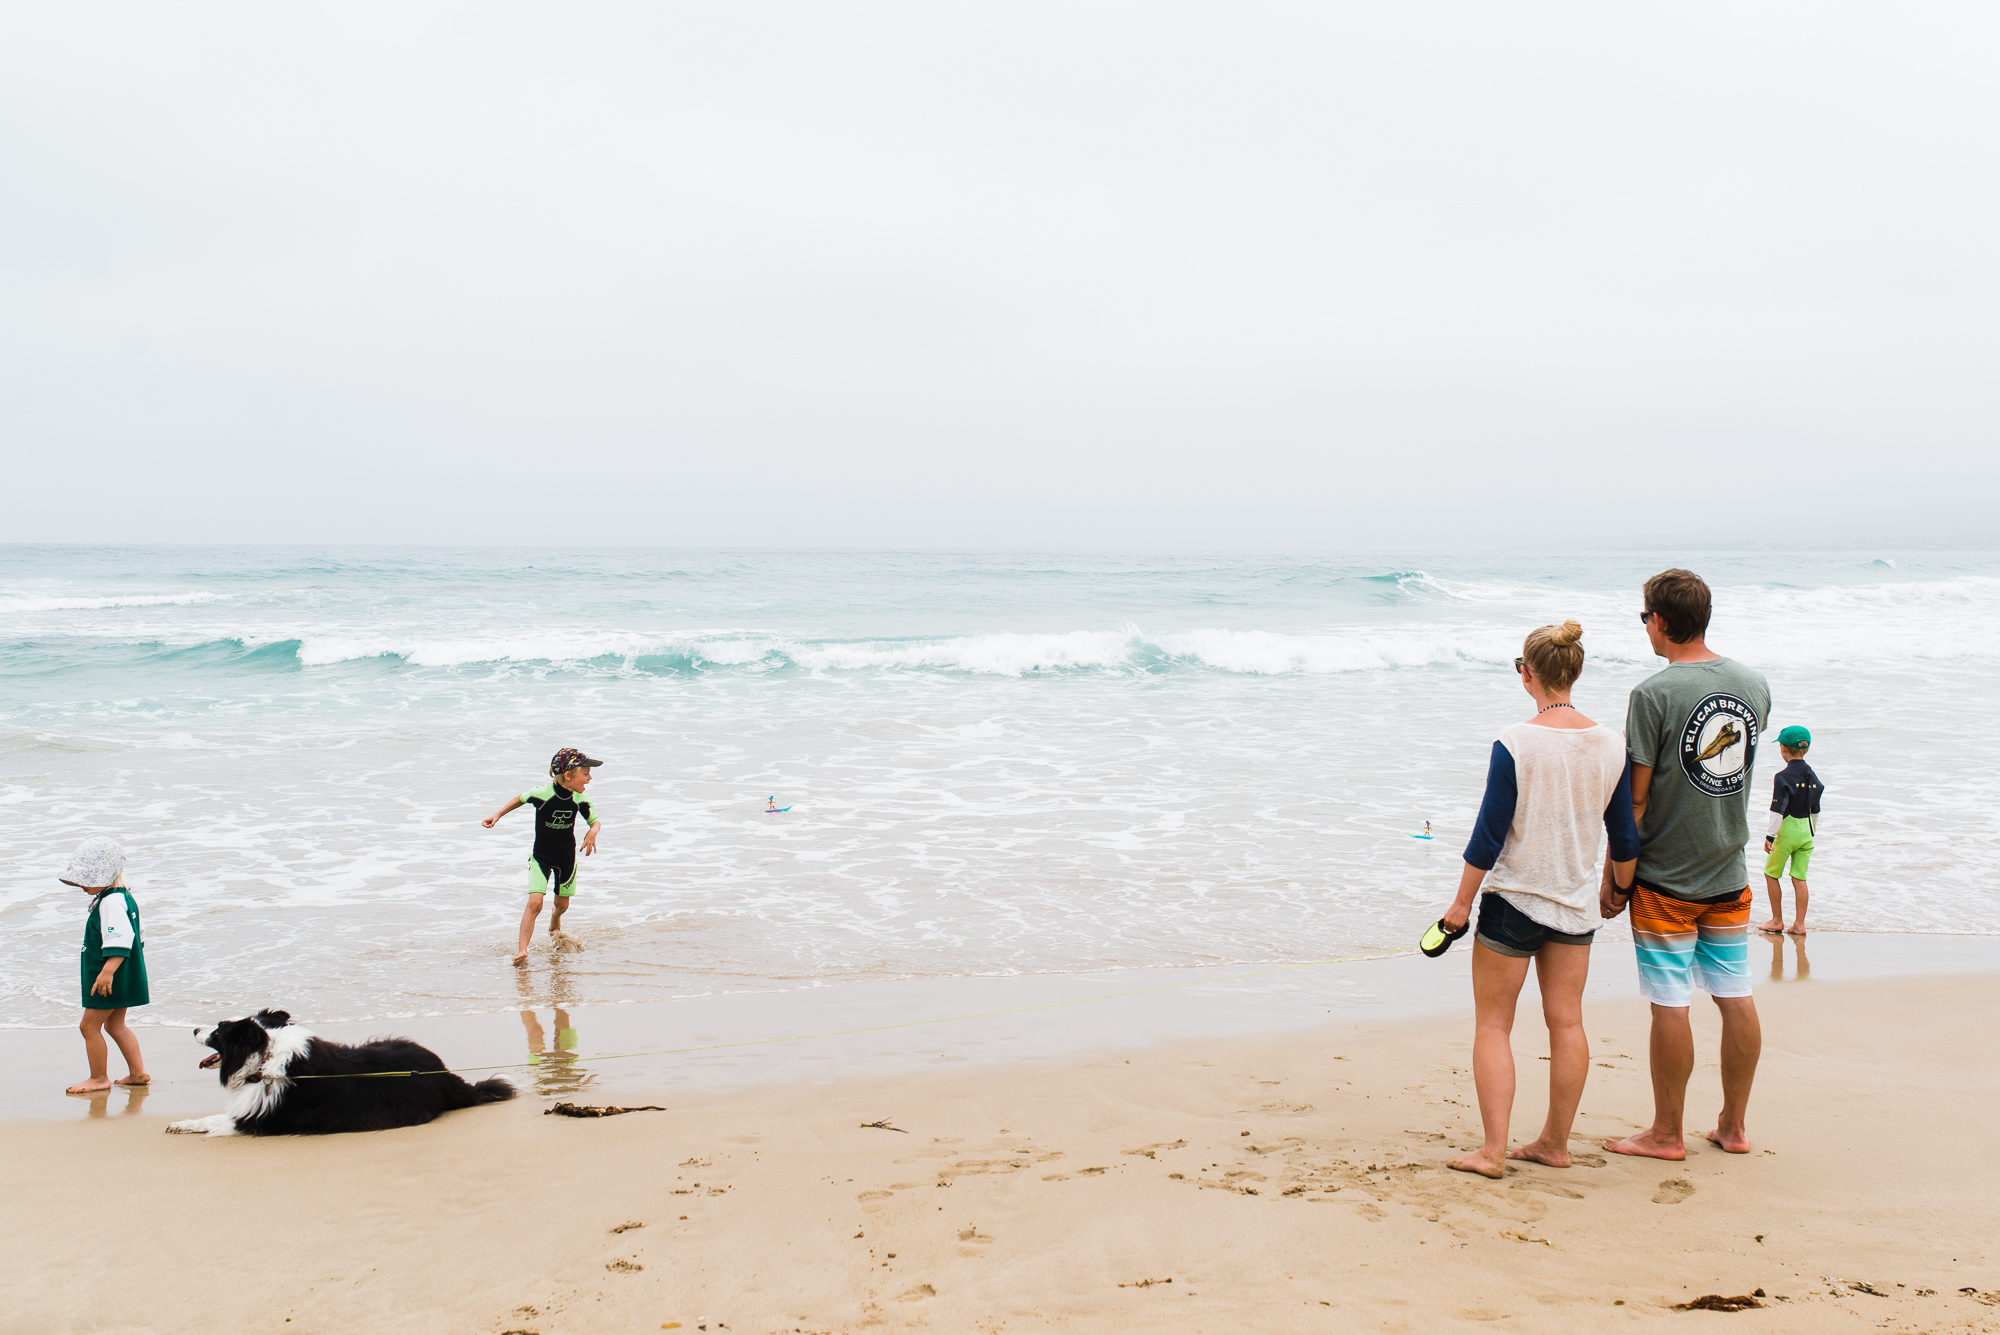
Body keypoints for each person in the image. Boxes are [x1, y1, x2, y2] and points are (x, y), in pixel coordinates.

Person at [1438, 621, 1639, 1179]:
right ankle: (1554, 1143)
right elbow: (1624, 836)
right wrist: (1618, 890)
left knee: (1493, 1026)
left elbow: (1488, 835)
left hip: (1513, 904)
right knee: (1567, 1024)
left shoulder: (1515, 742)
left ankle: (1492, 1150)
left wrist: (1459, 905)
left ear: (1527, 674)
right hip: (1574, 906)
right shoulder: (1609, 744)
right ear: (1574, 671)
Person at [1600, 569, 1771, 1159]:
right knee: (1735, 992)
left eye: (1644, 616)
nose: (1645, 626)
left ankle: (1667, 1133)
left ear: (1662, 621)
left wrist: (1616, 874)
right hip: (1729, 873)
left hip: (1666, 880)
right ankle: (1734, 1127)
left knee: (1670, 1000)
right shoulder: (1753, 684)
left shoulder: (1652, 695)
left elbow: (1637, 798)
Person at [484, 748, 605, 966]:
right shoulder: (542, 794)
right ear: (568, 775)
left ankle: (555, 921)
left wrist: (592, 832)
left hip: (566, 858)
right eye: (585, 774)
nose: (590, 778)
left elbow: (595, 821)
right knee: (535, 903)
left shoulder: (580, 799)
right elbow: (520, 799)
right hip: (541, 857)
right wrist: (497, 815)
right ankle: (522, 950)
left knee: (562, 904)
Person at [61, 836, 151, 1096]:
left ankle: (98, 1078)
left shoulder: (110, 901)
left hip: (108, 977)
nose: (81, 884)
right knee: (115, 1025)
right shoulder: (123, 897)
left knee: (88, 1027)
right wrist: (125, 970)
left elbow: (120, 939)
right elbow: (139, 934)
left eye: (87, 878)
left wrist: (108, 972)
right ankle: (137, 1073)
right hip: (121, 974)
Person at [1759, 725, 1821, 936]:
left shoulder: (1782, 776)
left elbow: (1777, 810)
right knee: (1799, 877)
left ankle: (1777, 920)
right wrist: (1812, 831)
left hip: (1787, 831)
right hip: (1807, 831)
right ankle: (1799, 925)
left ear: (1783, 748)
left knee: (1771, 873)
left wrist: (1770, 836)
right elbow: (1816, 809)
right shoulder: (1812, 775)